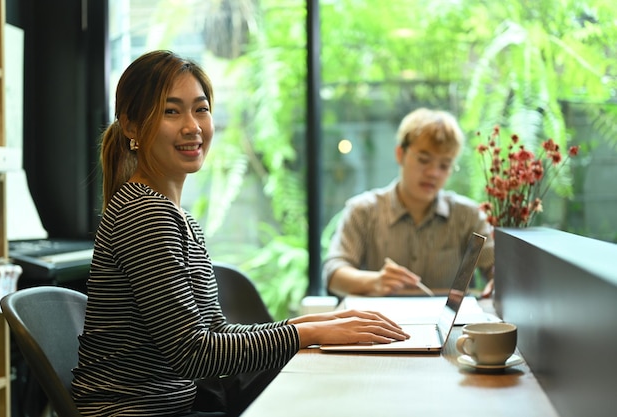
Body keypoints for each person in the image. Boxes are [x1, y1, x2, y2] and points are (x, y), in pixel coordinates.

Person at [71, 50, 408, 417]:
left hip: (178, 403)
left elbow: (214, 332)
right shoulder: (144, 214)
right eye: (172, 111)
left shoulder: (173, 214)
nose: (192, 126)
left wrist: (314, 324)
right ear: (132, 126)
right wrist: (307, 334)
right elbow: (193, 354)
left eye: (201, 109)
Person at [322, 108, 494, 298]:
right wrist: (375, 281)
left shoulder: (467, 216)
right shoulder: (363, 211)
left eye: (444, 165)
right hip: (379, 323)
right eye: (423, 160)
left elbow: (494, 267)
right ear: (400, 154)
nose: (433, 173)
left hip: (447, 327)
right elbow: (333, 274)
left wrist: (499, 281)